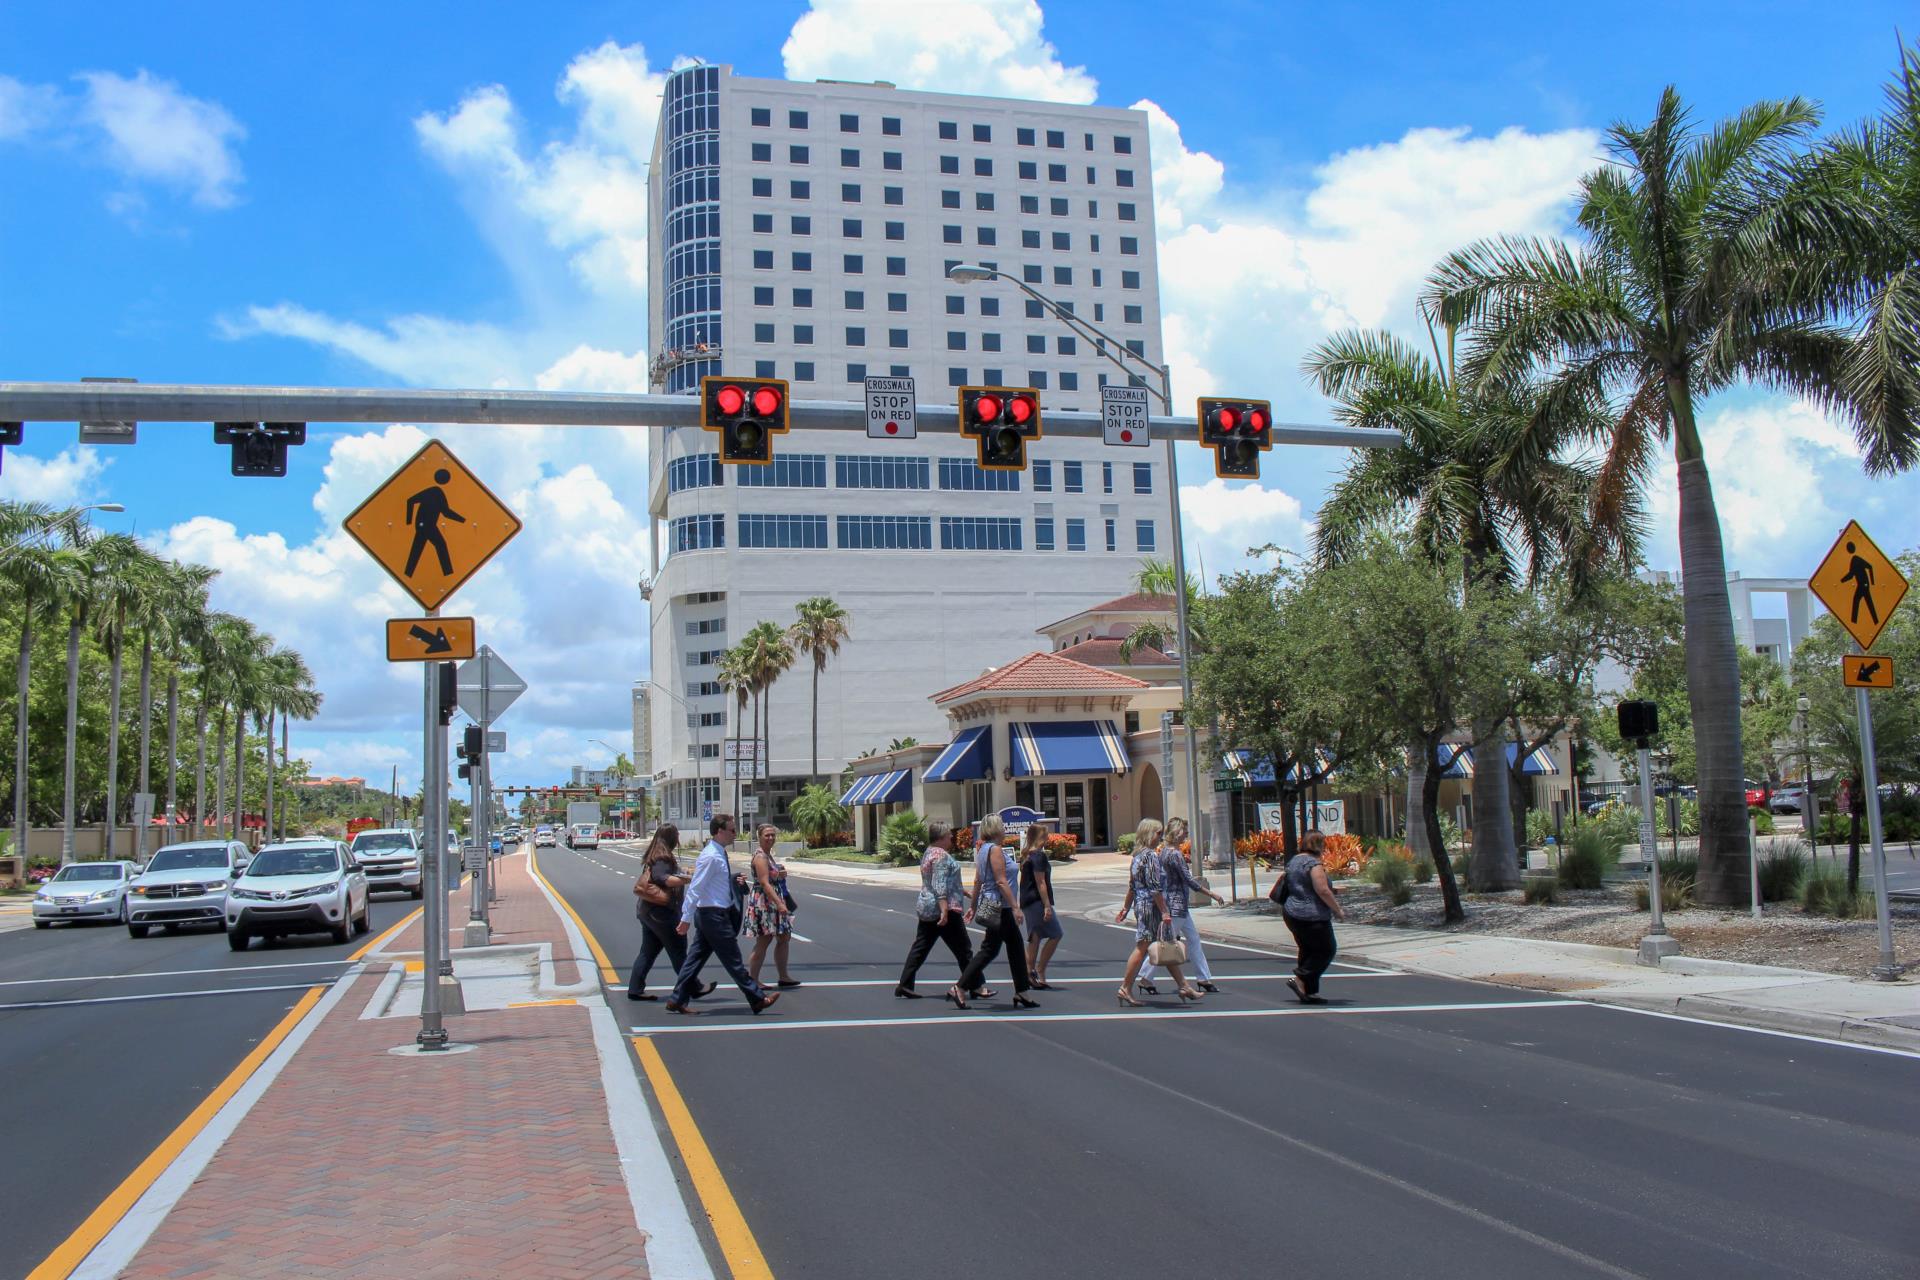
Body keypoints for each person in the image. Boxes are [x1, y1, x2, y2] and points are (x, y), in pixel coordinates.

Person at [666, 814, 781, 1016]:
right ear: (720, 831)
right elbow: (696, 887)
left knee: (694, 960)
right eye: (732, 830)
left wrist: (733, 881)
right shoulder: (711, 856)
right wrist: (685, 919)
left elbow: (713, 883)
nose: (735, 834)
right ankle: (757, 998)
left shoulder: (718, 853)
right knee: (733, 959)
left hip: (713, 913)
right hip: (712, 915)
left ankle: (677, 999)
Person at [950, 815, 1039, 1010]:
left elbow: (977, 881)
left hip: (992, 904)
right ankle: (960, 987)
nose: (1004, 829)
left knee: (1001, 948)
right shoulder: (995, 850)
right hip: (1001, 907)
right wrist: (1015, 907)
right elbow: (1000, 881)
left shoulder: (982, 850)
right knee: (995, 949)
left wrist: (973, 906)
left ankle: (1021, 991)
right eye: (1002, 826)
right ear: (997, 830)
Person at [1115, 818, 1200, 1005]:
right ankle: (1125, 988)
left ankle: (1184, 986)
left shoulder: (1137, 856)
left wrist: (1125, 908)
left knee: (1166, 944)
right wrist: (1164, 911)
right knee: (1142, 947)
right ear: (1148, 834)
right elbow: (1154, 888)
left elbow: (1132, 886)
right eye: (1158, 833)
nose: (1160, 837)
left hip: (1141, 905)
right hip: (1151, 907)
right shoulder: (1151, 856)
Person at [1137, 817, 1225, 994]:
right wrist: (1211, 894)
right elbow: (1188, 879)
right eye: (1184, 831)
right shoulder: (1175, 855)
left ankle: (1203, 978)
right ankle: (1145, 977)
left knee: (1192, 940)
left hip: (1178, 905)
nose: (1186, 834)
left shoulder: (1163, 852)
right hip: (1175, 906)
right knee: (1166, 943)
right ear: (1177, 832)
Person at [626, 824, 711, 1002]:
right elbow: (661, 878)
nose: (678, 838)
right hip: (661, 913)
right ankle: (694, 986)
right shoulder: (662, 857)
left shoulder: (656, 855)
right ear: (671, 838)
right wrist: (688, 880)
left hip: (648, 912)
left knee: (647, 952)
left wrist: (686, 873)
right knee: (678, 950)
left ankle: (635, 988)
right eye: (677, 835)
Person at [895, 821, 975, 998]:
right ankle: (976, 985)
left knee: (921, 947)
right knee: (964, 949)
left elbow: (937, 880)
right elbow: (939, 884)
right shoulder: (941, 855)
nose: (951, 837)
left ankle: (905, 984)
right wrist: (945, 910)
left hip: (927, 907)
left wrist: (963, 891)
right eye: (948, 835)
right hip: (944, 909)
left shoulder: (929, 853)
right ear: (941, 838)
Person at [1280, 830, 1345, 1005]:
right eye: (1323, 843)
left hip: (1292, 912)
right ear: (1318, 844)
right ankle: (1301, 979)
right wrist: (1337, 910)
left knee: (1308, 950)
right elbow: (1322, 890)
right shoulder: (1313, 864)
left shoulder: (1294, 861)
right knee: (1326, 949)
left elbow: (1301, 885)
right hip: (1311, 915)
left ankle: (1309, 992)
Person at [744, 824, 802, 988]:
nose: (770, 838)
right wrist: (779, 903)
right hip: (765, 901)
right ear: (759, 837)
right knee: (764, 939)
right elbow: (764, 882)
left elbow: (770, 876)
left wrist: (779, 873)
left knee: (784, 936)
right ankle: (752, 979)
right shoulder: (761, 856)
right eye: (767, 835)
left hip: (773, 899)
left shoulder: (768, 855)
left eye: (773, 835)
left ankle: (784, 976)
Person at [1018, 824, 1063, 989]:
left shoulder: (1027, 855)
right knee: (1056, 934)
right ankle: (1039, 969)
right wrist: (1047, 906)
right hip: (1036, 901)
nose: (1048, 838)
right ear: (1039, 837)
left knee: (1035, 937)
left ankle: (1030, 973)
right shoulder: (1038, 856)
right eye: (1045, 835)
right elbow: (1041, 882)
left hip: (1026, 900)